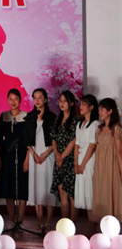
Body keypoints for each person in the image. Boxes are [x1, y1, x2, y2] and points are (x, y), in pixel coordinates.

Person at [25, 88, 57, 234]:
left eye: (40, 97)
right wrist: (33, 154)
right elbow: (26, 139)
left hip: (48, 154)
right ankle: (40, 221)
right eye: (35, 98)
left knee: (48, 187)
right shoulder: (30, 117)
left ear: (45, 99)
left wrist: (45, 154)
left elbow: (55, 139)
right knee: (37, 187)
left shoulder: (52, 117)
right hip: (34, 155)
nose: (37, 100)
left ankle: (48, 222)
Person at [0, 88, 28, 227]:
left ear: (20, 100)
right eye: (10, 99)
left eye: (16, 99)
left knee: (22, 188)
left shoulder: (26, 117)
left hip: (22, 156)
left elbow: (29, 141)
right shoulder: (4, 116)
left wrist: (27, 159)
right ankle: (12, 220)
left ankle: (20, 221)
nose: (13, 102)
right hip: (6, 156)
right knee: (7, 188)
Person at [92, 98, 122, 221]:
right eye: (99, 109)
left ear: (110, 111)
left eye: (102, 109)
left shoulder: (116, 128)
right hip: (100, 167)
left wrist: (121, 170)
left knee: (112, 191)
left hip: (112, 166)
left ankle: (114, 223)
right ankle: (103, 222)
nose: (100, 112)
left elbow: (119, 151)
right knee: (102, 192)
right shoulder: (99, 129)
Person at [50, 90, 78, 221]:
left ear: (71, 103)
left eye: (65, 101)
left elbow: (73, 141)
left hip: (70, 160)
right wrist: (57, 154)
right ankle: (65, 223)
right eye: (60, 100)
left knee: (71, 194)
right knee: (62, 193)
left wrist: (62, 157)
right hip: (58, 159)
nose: (61, 103)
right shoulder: (58, 119)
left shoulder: (75, 121)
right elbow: (54, 139)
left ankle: (73, 225)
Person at [73, 94, 99, 230]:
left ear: (91, 107)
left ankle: (93, 227)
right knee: (83, 192)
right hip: (80, 159)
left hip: (89, 161)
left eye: (84, 104)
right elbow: (77, 144)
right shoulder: (79, 124)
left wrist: (82, 165)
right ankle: (90, 226)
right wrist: (76, 164)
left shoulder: (95, 124)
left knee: (90, 193)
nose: (81, 106)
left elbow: (92, 145)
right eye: (81, 103)